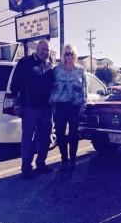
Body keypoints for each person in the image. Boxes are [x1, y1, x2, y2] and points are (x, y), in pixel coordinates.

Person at [10, 39, 54, 179]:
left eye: (47, 50)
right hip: (29, 108)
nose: (45, 52)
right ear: (37, 49)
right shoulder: (25, 63)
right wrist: (17, 105)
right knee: (28, 138)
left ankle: (41, 163)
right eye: (43, 49)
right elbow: (14, 85)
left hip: (46, 109)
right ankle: (26, 168)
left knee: (45, 137)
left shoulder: (50, 66)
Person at [49, 43, 88, 171]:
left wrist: (83, 104)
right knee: (59, 133)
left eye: (71, 53)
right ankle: (64, 159)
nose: (69, 56)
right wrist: (52, 104)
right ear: (63, 55)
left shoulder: (81, 70)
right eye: (67, 53)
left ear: (75, 55)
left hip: (74, 106)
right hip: (60, 105)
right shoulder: (57, 70)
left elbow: (84, 89)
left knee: (73, 134)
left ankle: (73, 159)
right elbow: (51, 87)